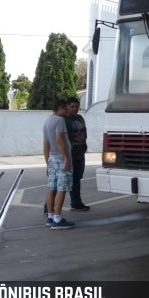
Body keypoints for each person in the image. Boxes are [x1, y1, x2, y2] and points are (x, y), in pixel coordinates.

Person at [43, 99, 75, 230]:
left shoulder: (48, 120)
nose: (68, 111)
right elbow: (59, 139)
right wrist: (66, 157)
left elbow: (46, 144)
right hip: (61, 158)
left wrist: (47, 162)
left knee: (52, 188)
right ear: (60, 108)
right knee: (62, 188)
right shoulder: (59, 121)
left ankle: (50, 216)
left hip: (52, 159)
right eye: (66, 108)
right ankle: (57, 219)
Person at [65, 96, 90, 211]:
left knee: (76, 179)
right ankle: (49, 206)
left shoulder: (80, 118)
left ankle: (76, 203)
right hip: (68, 156)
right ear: (67, 107)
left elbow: (84, 133)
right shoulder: (63, 120)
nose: (74, 109)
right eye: (72, 107)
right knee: (62, 181)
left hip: (80, 154)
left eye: (76, 107)